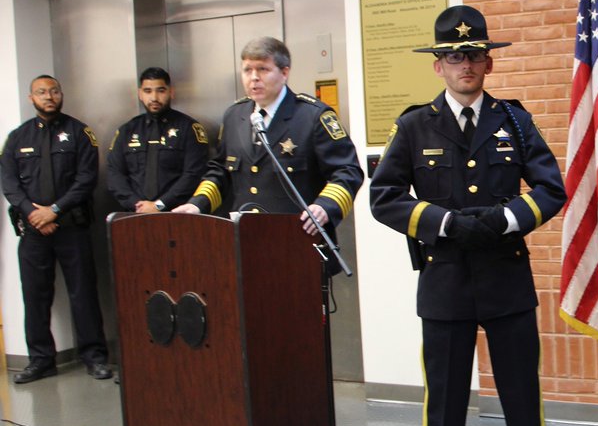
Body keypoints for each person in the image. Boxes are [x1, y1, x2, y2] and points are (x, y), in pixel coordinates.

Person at [370, 5, 578, 426]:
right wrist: (441, 223)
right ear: (437, 65)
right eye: (452, 56)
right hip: (444, 283)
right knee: (443, 403)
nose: (464, 64)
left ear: (488, 62)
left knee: (521, 396)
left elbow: (552, 187)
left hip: (506, 277)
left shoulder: (513, 120)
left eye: (473, 55)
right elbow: (383, 198)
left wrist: (505, 219)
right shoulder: (415, 126)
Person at [175, 37, 362, 239]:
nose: (254, 78)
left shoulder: (312, 116)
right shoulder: (234, 116)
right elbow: (220, 172)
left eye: (263, 69)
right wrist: (197, 204)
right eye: (247, 70)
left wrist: (325, 207)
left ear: (284, 73)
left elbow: (347, 171)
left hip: (298, 238)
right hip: (245, 241)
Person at [1, 75, 112, 383]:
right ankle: (40, 360)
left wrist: (54, 211)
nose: (48, 97)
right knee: (35, 296)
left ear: (61, 94)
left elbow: (86, 179)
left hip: (71, 229)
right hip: (34, 231)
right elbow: (9, 182)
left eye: (53, 91)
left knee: (84, 294)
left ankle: (95, 357)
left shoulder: (80, 133)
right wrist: (32, 213)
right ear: (31, 98)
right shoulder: (17, 137)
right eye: (41, 92)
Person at [107, 67, 209, 214]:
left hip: (177, 214)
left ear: (171, 92)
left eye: (160, 90)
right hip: (134, 215)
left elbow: (193, 174)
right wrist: (137, 206)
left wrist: (160, 205)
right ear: (140, 94)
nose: (154, 97)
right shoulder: (126, 131)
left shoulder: (190, 129)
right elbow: (114, 174)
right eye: (148, 91)